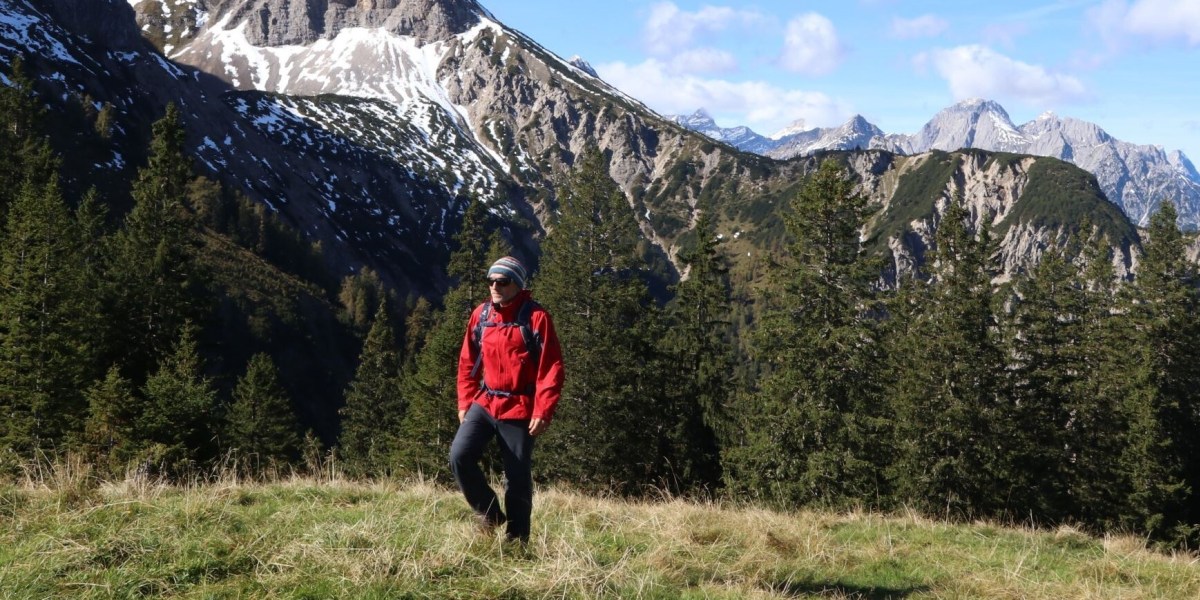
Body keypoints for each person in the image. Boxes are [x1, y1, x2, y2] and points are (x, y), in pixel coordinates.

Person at [450, 256, 564, 543]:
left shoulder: (536, 318)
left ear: (518, 284)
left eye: (503, 281)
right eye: (491, 281)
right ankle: (489, 513)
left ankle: (517, 540)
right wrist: (465, 402)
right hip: (486, 402)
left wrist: (543, 409)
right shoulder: (481, 315)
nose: (495, 286)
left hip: (520, 406)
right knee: (459, 456)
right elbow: (468, 361)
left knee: (516, 477)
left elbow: (551, 367)